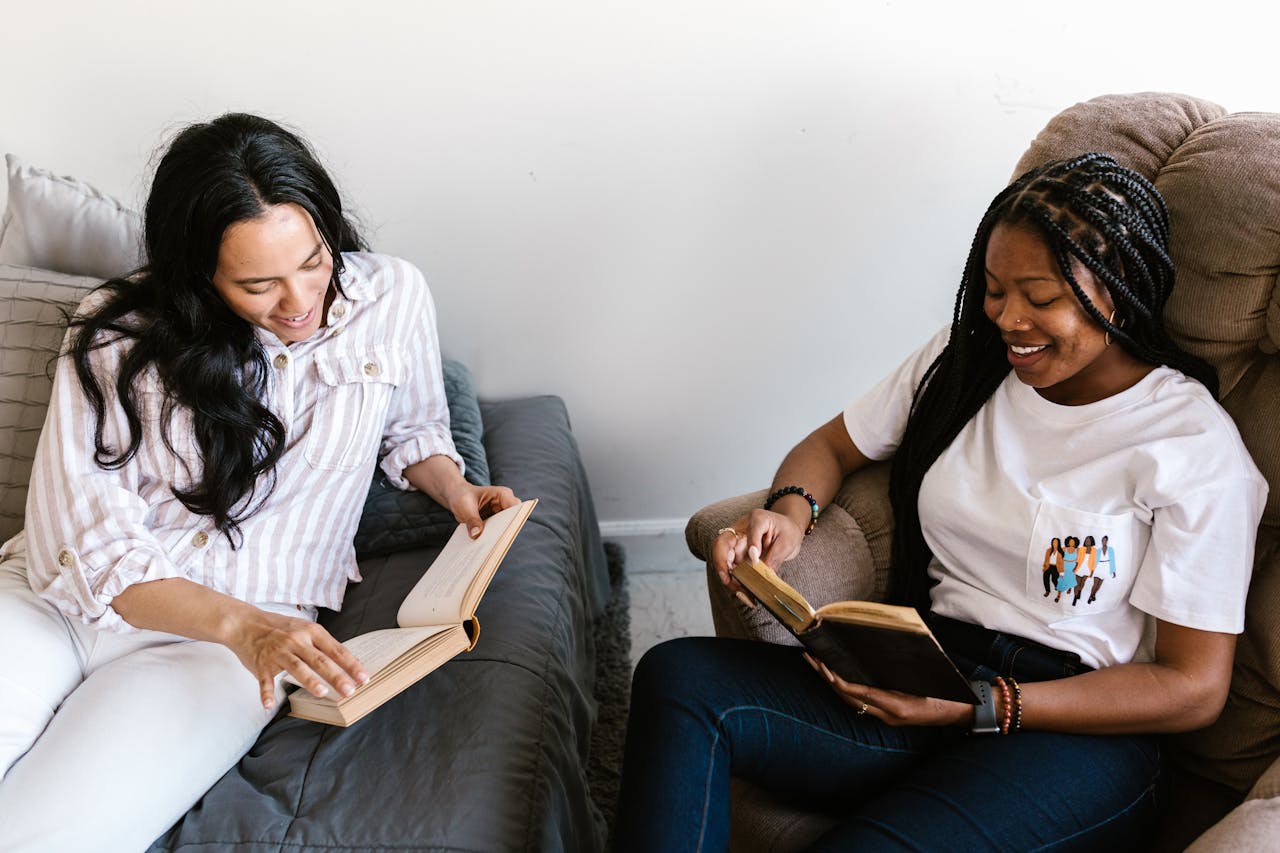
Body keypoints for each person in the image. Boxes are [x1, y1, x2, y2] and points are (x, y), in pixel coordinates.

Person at [614, 154, 1267, 851]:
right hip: (926, 668)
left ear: (1119, 288)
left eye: (1039, 296)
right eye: (992, 289)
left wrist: (987, 707)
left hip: (1077, 731)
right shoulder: (965, 364)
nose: (1008, 318)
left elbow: (1193, 687)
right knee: (679, 678)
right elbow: (831, 448)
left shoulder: (1190, 446)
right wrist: (788, 511)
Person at [0, 113, 518, 851]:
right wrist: (244, 625)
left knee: (44, 837)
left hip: (217, 654)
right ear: (199, 274)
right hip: (60, 603)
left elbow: (411, 428)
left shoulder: (392, 297)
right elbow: (83, 536)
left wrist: (455, 489)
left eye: (313, 260)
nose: (299, 300)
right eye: (257, 284)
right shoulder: (116, 330)